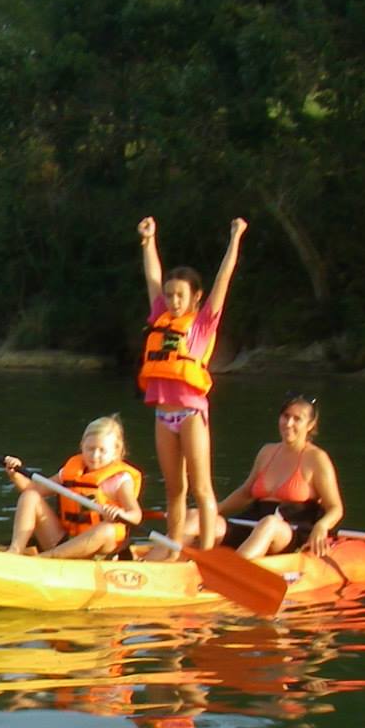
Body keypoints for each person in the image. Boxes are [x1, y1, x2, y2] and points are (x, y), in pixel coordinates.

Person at [137, 214, 247, 555]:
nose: (173, 301)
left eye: (181, 296)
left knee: (201, 488)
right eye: (170, 296)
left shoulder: (202, 324)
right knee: (174, 490)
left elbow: (223, 280)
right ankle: (173, 549)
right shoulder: (160, 317)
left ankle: (207, 554)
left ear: (195, 297)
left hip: (190, 413)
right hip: (162, 416)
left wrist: (235, 240)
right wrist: (148, 240)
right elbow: (153, 277)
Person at [214, 392, 343, 559]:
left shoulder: (317, 459)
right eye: (285, 416)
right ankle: (170, 564)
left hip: (290, 531)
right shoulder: (266, 451)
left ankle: (232, 570)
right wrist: (214, 510)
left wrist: (322, 526)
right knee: (197, 518)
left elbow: (335, 508)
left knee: (269, 523)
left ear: (310, 424)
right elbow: (246, 492)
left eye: (297, 419)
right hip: (254, 524)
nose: (288, 423)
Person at [1, 414, 145, 558]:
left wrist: (120, 515)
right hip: (65, 541)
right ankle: (15, 550)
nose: (95, 455)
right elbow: (32, 490)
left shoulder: (120, 480)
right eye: (90, 448)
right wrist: (15, 474)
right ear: (82, 445)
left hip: (99, 549)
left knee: (106, 529)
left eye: (102, 450)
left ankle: (46, 558)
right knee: (30, 496)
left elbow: (136, 515)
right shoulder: (70, 471)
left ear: (116, 452)